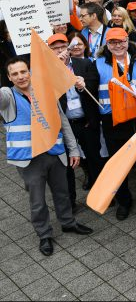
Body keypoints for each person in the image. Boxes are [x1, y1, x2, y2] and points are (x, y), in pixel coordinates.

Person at [0, 57, 93, 256]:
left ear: (30, 72)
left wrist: (73, 149)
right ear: (9, 77)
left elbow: (63, 122)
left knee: (62, 193)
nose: (20, 76)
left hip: (54, 153)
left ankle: (68, 223)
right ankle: (44, 235)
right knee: (37, 200)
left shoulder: (44, 91)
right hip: (29, 159)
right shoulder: (7, 96)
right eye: (14, 74)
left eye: (23, 71)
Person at [95, 28, 136, 220]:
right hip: (113, 120)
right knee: (118, 163)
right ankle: (123, 201)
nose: (118, 46)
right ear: (107, 45)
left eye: (121, 41)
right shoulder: (98, 64)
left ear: (128, 41)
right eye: (113, 43)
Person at [48, 34, 103, 204]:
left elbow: (94, 86)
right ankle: (70, 201)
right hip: (64, 125)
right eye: (55, 48)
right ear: (50, 51)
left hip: (85, 122)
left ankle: (101, 193)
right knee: (67, 165)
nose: (59, 50)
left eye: (62, 46)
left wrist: (84, 84)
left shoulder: (84, 63)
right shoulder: (46, 71)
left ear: (68, 47)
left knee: (94, 158)